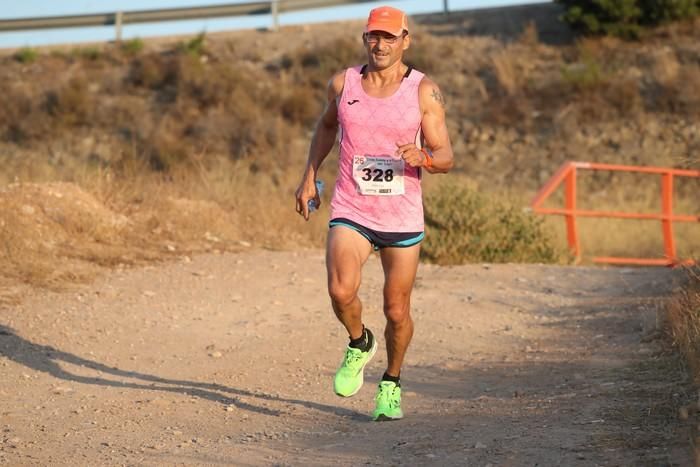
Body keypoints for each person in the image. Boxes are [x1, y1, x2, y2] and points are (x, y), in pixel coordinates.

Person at [294, 5, 454, 421]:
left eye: (389, 37)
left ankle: (391, 382)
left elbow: (446, 155)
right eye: (373, 37)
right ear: (365, 39)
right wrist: (310, 175)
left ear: (406, 40)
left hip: (401, 217)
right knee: (340, 290)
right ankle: (359, 341)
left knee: (396, 310)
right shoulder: (343, 83)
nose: (380, 44)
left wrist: (425, 157)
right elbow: (327, 127)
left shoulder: (424, 91)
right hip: (352, 207)